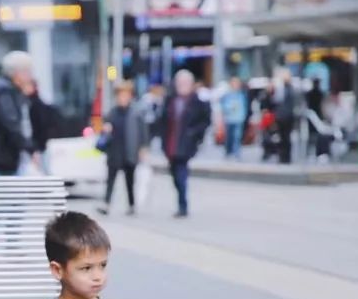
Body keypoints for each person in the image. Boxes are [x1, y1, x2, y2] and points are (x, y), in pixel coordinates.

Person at [0, 51, 43, 176]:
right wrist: (31, 148)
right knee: (5, 194)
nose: (30, 76)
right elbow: (11, 124)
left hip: (2, 158)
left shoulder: (7, 90)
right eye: (28, 72)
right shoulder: (3, 93)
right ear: (18, 74)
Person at [154, 70, 210, 218]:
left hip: (186, 144)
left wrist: (195, 134)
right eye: (180, 83)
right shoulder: (170, 100)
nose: (182, 86)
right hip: (171, 142)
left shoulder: (198, 101)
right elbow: (161, 120)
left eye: (186, 83)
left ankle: (183, 204)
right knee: (174, 173)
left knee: (181, 173)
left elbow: (205, 121)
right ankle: (181, 199)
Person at [98, 81, 148, 216]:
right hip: (114, 152)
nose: (122, 98)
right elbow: (104, 131)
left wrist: (143, 148)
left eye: (125, 95)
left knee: (130, 181)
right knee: (110, 180)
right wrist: (106, 129)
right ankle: (106, 203)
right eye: (120, 95)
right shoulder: (112, 113)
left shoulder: (136, 113)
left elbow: (143, 132)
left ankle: (131, 205)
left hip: (129, 151)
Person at [220, 76, 248, 159]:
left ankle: (236, 152)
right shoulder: (227, 95)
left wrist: (243, 116)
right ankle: (228, 151)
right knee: (229, 136)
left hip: (239, 118)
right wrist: (230, 108)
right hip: (229, 118)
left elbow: (244, 106)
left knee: (237, 136)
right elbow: (224, 106)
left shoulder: (242, 95)